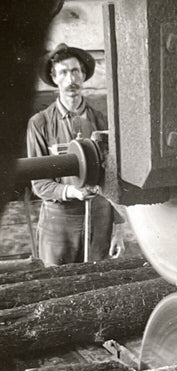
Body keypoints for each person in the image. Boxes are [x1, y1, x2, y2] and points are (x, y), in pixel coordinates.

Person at [27, 43, 124, 266]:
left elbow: (118, 179)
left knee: (96, 282)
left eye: (75, 71)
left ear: (83, 76)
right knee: (57, 283)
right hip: (59, 221)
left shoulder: (101, 120)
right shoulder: (40, 124)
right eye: (63, 72)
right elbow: (40, 184)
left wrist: (118, 229)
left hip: (100, 218)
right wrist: (72, 191)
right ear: (54, 78)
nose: (71, 79)